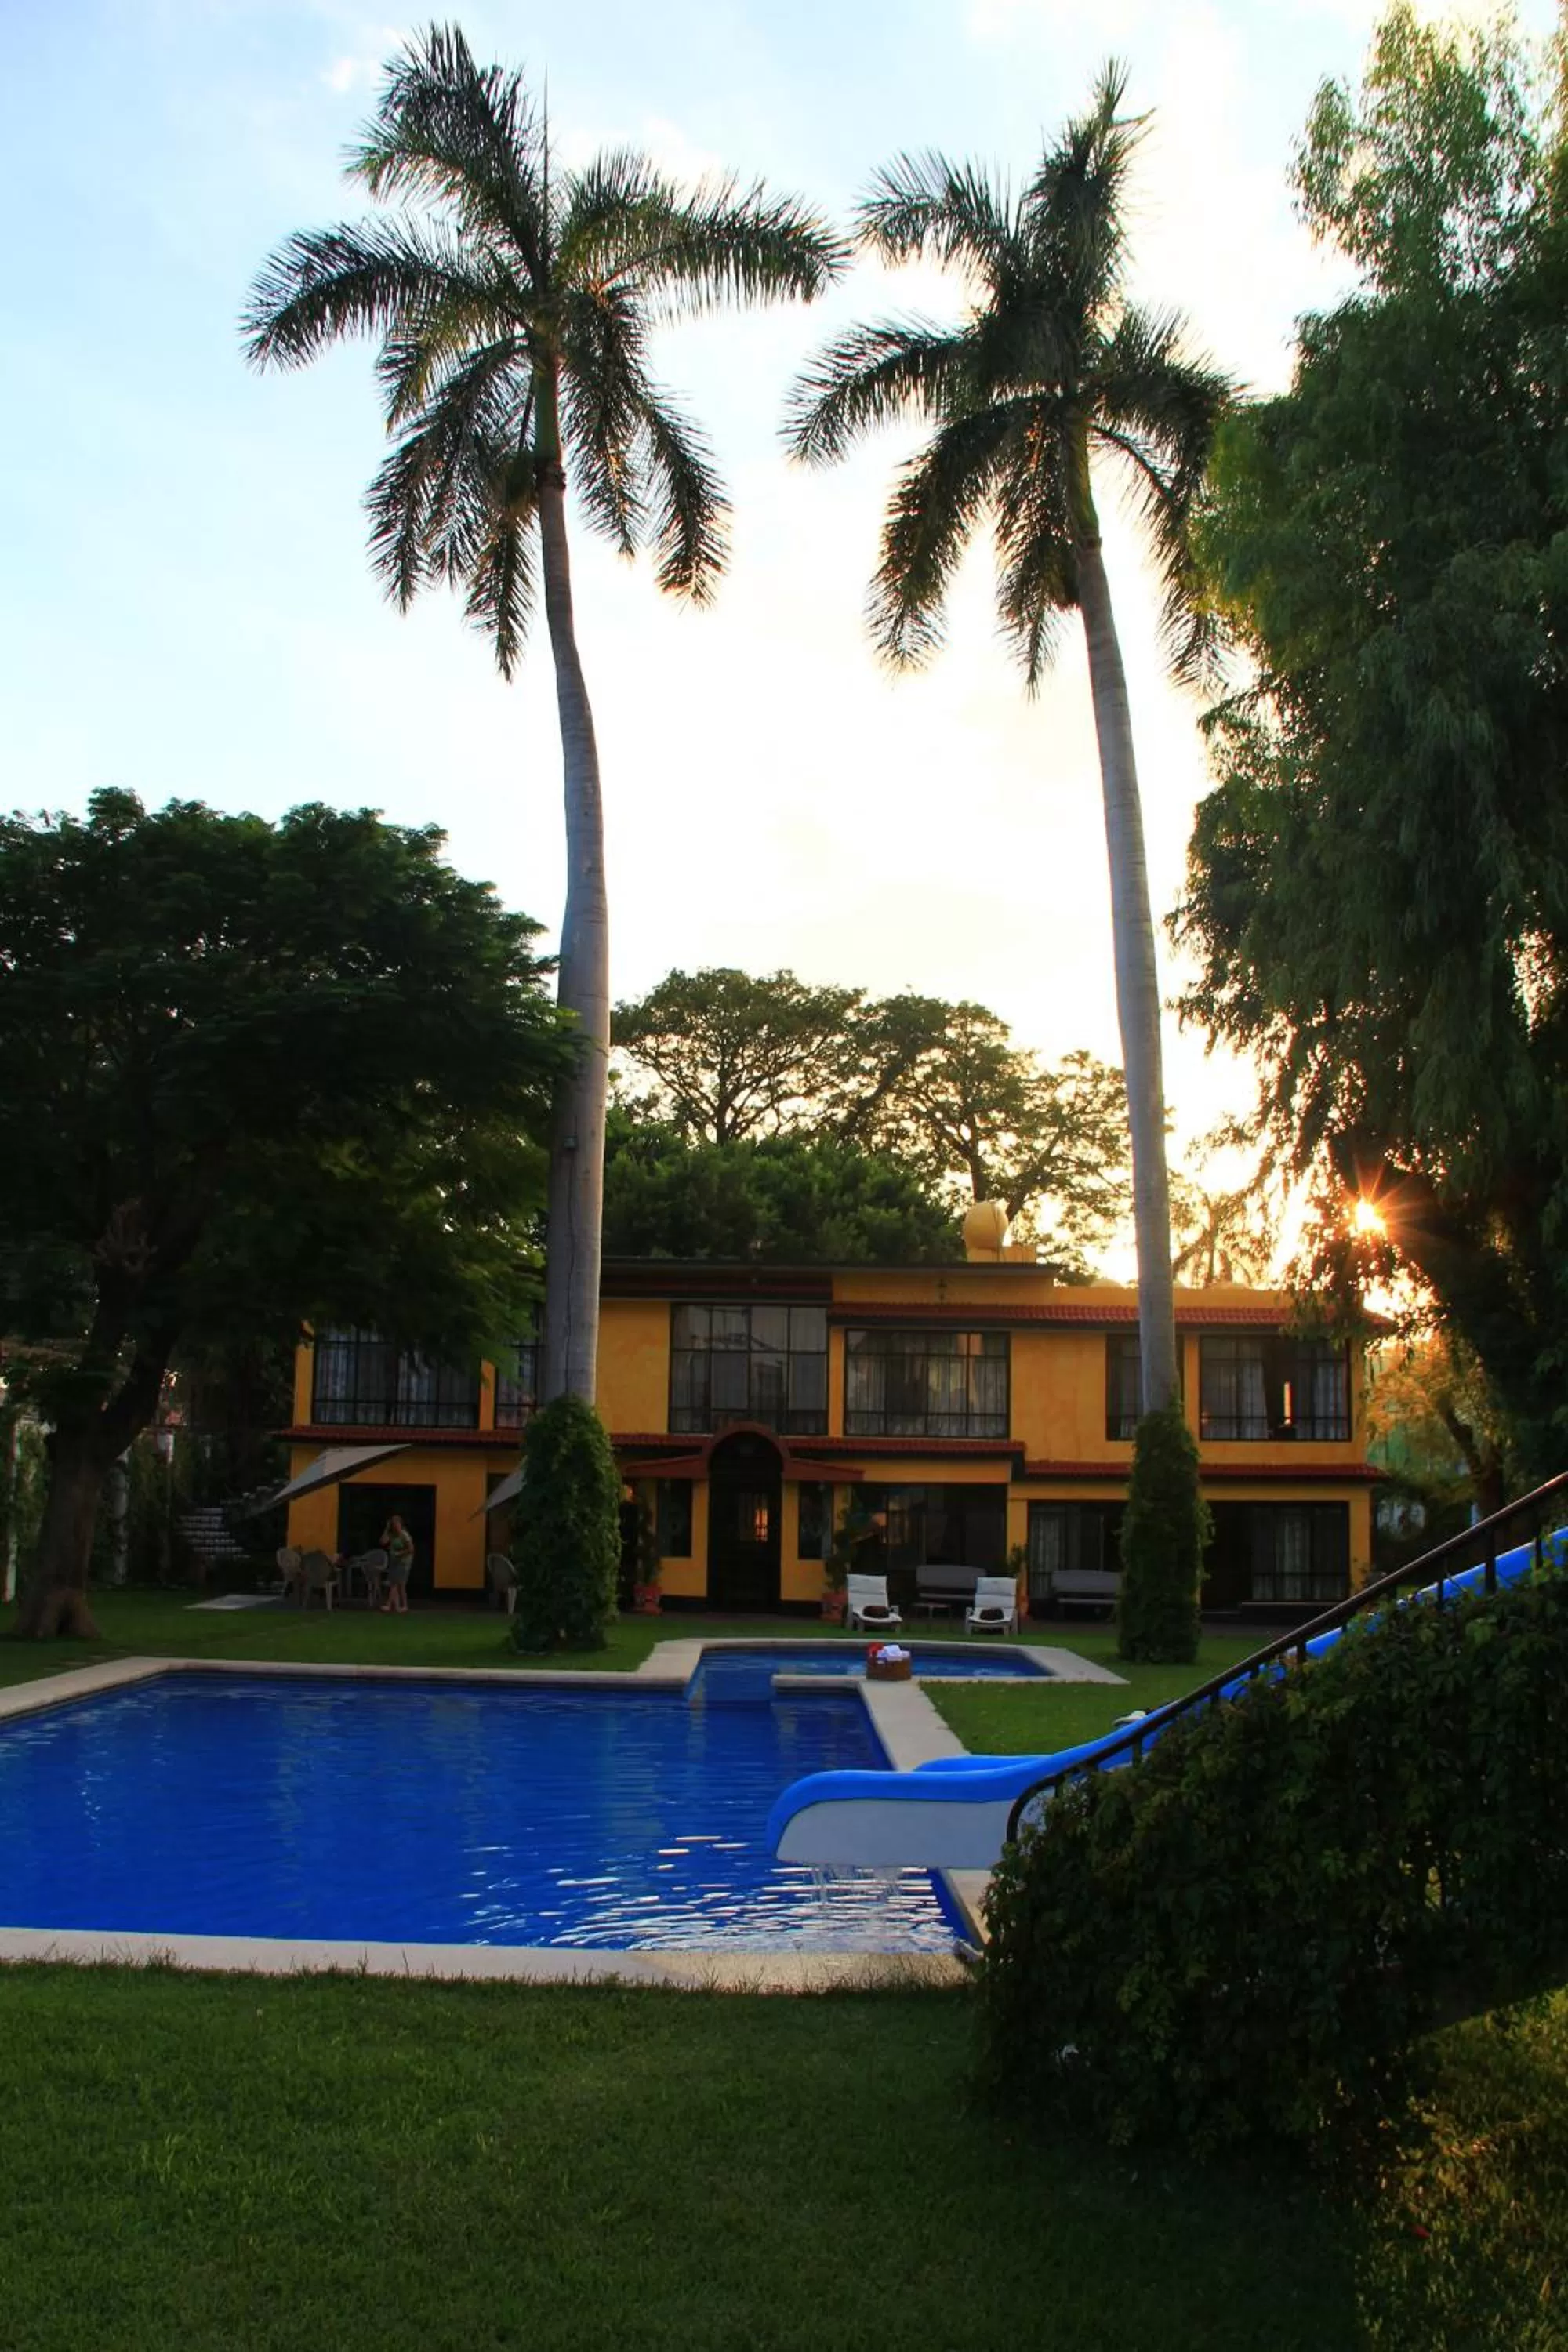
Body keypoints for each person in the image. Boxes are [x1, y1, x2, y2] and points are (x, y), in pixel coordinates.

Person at [379, 1515, 414, 1613]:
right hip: (395, 1561)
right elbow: (383, 1542)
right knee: (400, 1585)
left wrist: (400, 1553)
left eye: (397, 1524)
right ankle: (402, 1606)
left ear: (401, 1524)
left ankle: (389, 1605)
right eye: (393, 1525)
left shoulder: (404, 1535)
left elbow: (411, 1549)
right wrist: (386, 1528)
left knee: (394, 1583)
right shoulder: (392, 1535)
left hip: (404, 1562)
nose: (396, 1527)